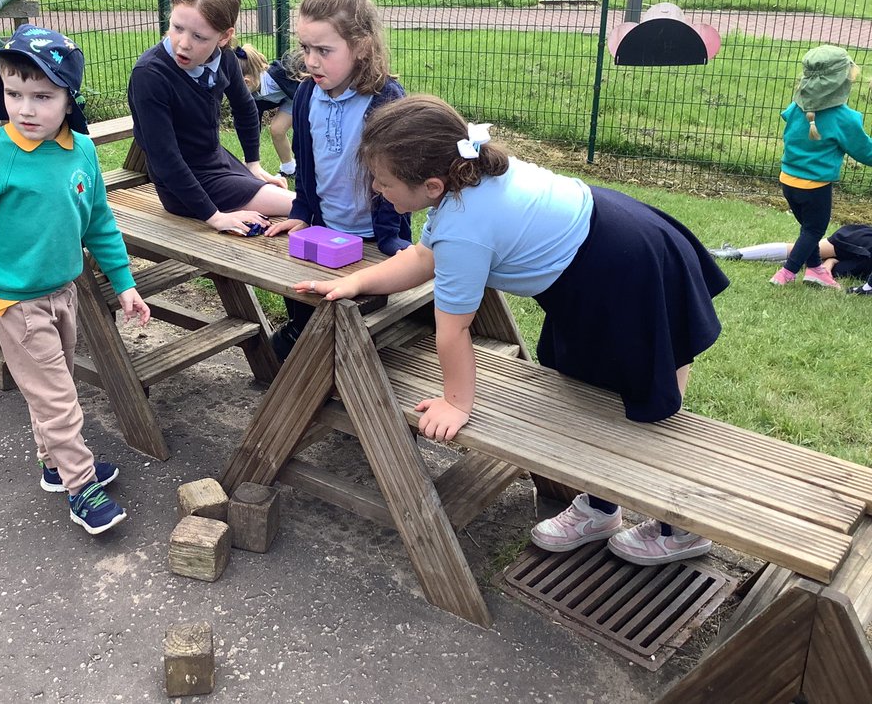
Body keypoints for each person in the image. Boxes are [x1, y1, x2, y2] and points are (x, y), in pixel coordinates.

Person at [300, 95, 730, 566]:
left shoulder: (464, 225)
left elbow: (454, 330)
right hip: (600, 262)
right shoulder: (468, 177)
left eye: (382, 183)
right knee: (587, 394)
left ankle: (679, 527)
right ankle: (601, 507)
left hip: (631, 273)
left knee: (649, 407)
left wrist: (457, 402)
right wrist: (358, 280)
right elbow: (424, 259)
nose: (378, 192)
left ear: (431, 185)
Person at [0, 25, 151, 535]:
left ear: (69, 98)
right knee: (58, 398)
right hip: (16, 303)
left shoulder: (81, 151)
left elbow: (98, 221)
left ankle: (56, 465)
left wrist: (124, 284)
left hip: (65, 292)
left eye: (43, 96)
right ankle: (81, 489)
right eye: (14, 94)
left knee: (52, 389)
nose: (26, 108)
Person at [264, 0, 412, 360]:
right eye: (305, 48)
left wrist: (389, 238)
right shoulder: (306, 95)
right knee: (303, 309)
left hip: (376, 236)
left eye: (324, 50)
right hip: (323, 230)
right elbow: (306, 165)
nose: (311, 61)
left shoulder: (385, 102)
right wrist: (301, 213)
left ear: (361, 46)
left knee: (363, 333)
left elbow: (398, 177)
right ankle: (301, 363)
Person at [128, 0, 295, 235]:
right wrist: (216, 217)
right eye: (177, 27)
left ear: (224, 36)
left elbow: (245, 108)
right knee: (301, 205)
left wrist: (253, 164)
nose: (183, 44)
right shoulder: (150, 75)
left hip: (217, 162)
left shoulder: (224, 58)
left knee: (288, 196)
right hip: (181, 185)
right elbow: (165, 160)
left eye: (199, 37)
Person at [769, 45, 872, 288]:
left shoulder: (796, 108)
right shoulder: (844, 118)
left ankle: (815, 269)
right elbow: (865, 152)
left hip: (788, 180)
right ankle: (786, 272)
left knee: (807, 229)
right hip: (815, 187)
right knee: (814, 232)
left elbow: (788, 121)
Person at [711, 223, 872, 288]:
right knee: (805, 249)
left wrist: (829, 263)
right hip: (863, 243)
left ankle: (738, 254)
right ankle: (735, 253)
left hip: (862, 266)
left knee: (812, 261)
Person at [235, 43, 305, 178]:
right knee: (277, 129)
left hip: (304, 96)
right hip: (290, 99)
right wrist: (249, 160)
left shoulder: (281, 72)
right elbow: (251, 128)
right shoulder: (253, 95)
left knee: (305, 134)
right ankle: (289, 169)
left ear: (246, 82)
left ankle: (308, 169)